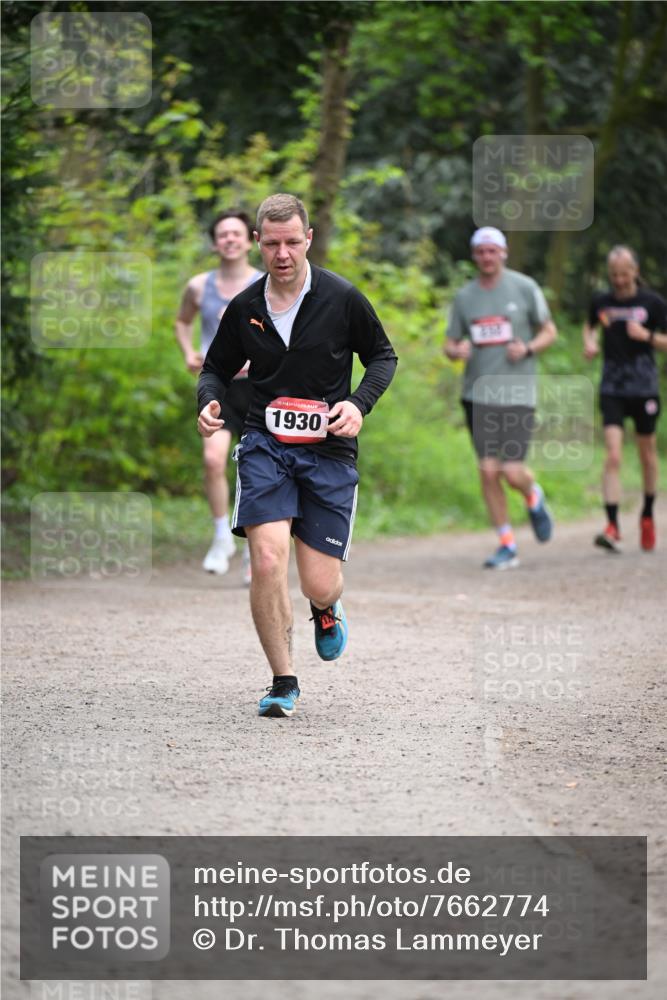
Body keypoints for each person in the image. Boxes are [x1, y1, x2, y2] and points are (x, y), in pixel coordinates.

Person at [197, 193, 397, 718]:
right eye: (272, 243)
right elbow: (214, 368)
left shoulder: (342, 297)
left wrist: (358, 403)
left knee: (318, 582)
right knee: (266, 560)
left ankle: (325, 608)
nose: (282, 254)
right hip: (265, 444)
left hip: (328, 450)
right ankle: (283, 680)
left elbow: (382, 356)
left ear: (308, 239)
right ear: (257, 243)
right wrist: (209, 402)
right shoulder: (246, 307)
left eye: (291, 242)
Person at [444, 226, 557, 569]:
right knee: (488, 470)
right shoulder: (465, 297)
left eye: (493, 250)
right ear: (474, 256)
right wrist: (457, 350)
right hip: (477, 395)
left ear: (503, 253)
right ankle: (507, 544)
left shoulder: (524, 287)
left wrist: (528, 348)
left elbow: (549, 331)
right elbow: (450, 343)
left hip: (517, 392)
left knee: (511, 470)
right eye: (481, 252)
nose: (487, 257)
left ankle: (532, 495)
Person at [176, 210, 262, 581]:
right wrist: (188, 352)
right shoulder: (199, 286)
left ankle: (254, 550)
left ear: (250, 240)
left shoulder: (265, 283)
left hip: (259, 386)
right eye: (223, 234)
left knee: (256, 467)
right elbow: (183, 321)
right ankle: (220, 537)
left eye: (236, 233)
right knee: (213, 460)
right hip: (219, 385)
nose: (229, 239)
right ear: (214, 243)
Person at [583, 245, 667, 553]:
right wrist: (590, 343)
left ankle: (647, 514)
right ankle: (612, 525)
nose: (619, 280)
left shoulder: (653, 303)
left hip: (644, 387)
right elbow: (590, 326)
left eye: (624, 274)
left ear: (635, 271)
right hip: (612, 387)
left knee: (647, 455)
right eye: (614, 275)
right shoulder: (601, 302)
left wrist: (647, 336)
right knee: (613, 455)